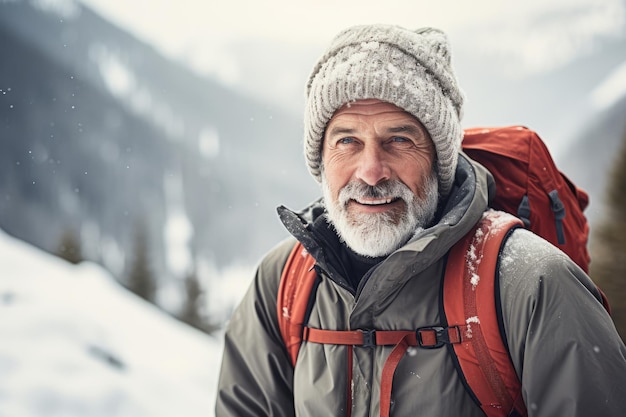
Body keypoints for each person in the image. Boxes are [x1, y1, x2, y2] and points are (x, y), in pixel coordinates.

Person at [215, 24, 626, 417]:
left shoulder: (532, 286)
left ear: (439, 159)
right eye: (347, 141)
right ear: (320, 159)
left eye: (398, 140)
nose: (371, 172)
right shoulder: (282, 285)